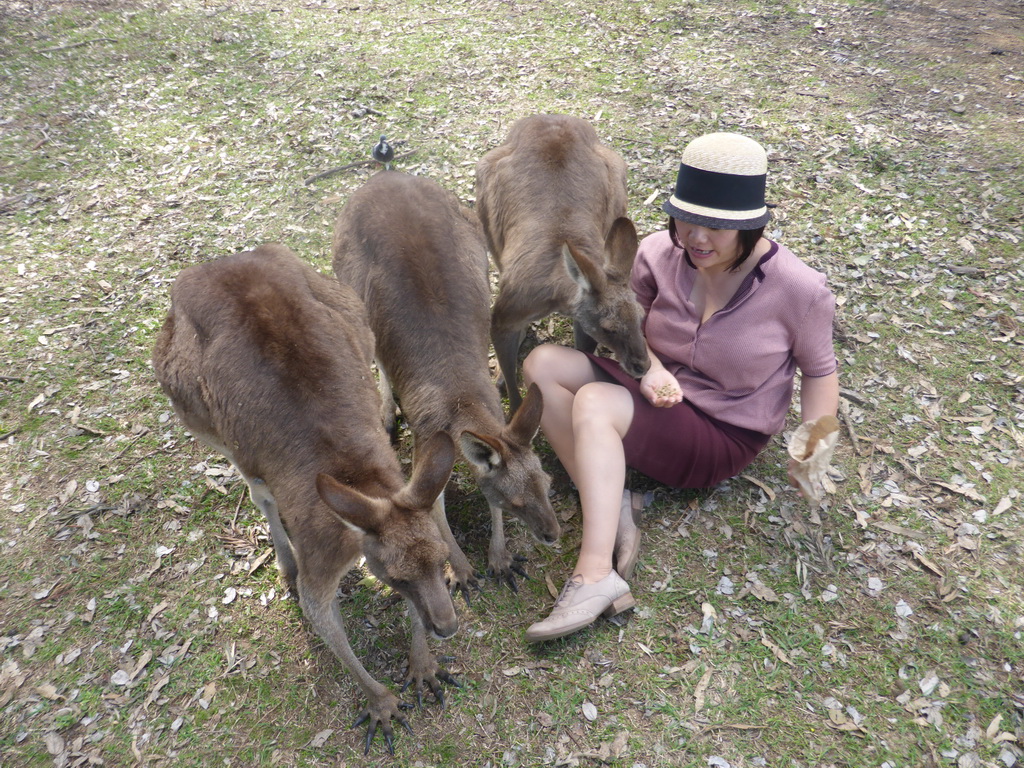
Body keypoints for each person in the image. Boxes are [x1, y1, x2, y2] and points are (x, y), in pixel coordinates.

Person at [522, 132, 839, 643]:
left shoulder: (798, 290)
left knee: (597, 401)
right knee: (541, 363)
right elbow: (631, 327)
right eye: (685, 219)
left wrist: (813, 448)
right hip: (655, 393)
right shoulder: (656, 253)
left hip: (722, 430)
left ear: (750, 226)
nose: (695, 237)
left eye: (716, 226)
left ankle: (596, 574)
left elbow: (820, 371)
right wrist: (652, 369)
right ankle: (612, 499)